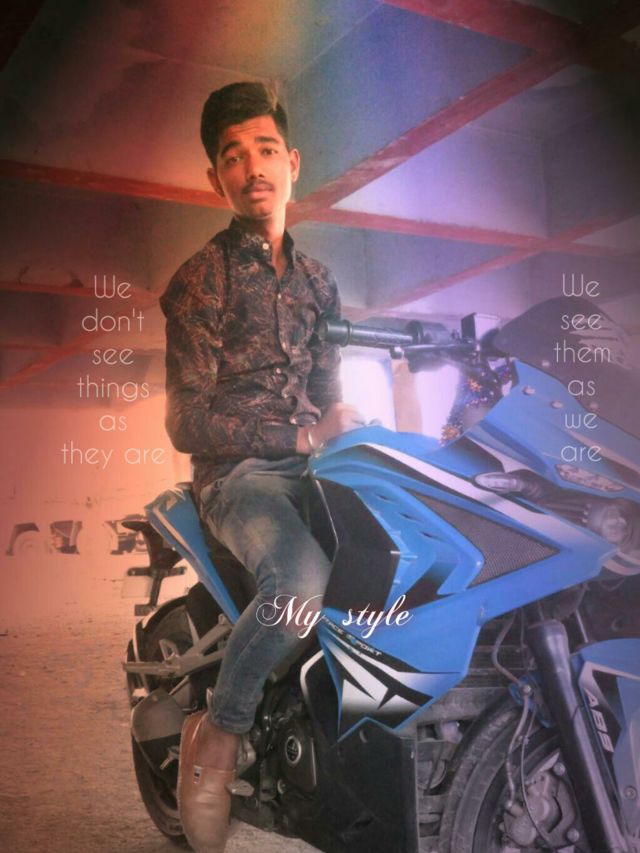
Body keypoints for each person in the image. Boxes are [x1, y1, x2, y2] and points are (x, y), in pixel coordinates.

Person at [159, 81, 364, 852]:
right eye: (233, 156)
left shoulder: (319, 282)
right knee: (300, 587)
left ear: (293, 163)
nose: (253, 168)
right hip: (238, 476)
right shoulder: (200, 279)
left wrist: (341, 427)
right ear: (216, 178)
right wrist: (297, 436)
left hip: (313, 468)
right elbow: (185, 419)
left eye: (266, 149)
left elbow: (329, 390)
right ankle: (218, 734)